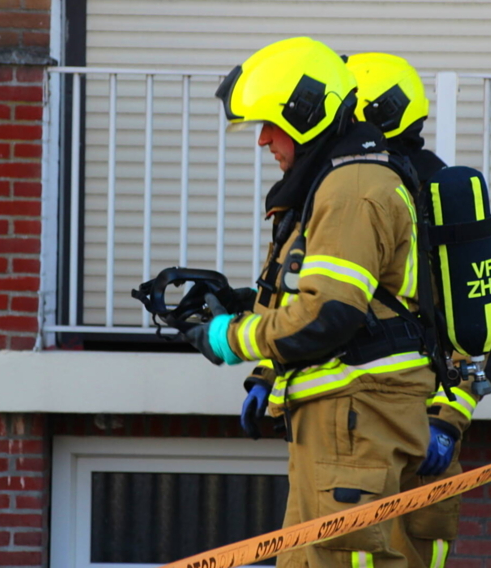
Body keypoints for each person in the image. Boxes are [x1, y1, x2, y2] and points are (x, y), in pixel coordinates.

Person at [181, 36, 438, 568]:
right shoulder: (340, 178)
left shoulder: (352, 186)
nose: (263, 142)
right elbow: (320, 295)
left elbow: (329, 315)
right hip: (341, 418)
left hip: (353, 417)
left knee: (336, 560)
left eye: (269, 125)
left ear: (304, 117)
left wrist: (229, 338)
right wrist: (251, 334)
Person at [347, 52, 488, 568]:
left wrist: (448, 422)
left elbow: (480, 333)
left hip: (407, 428)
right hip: (380, 428)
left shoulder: (413, 196)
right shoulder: (363, 189)